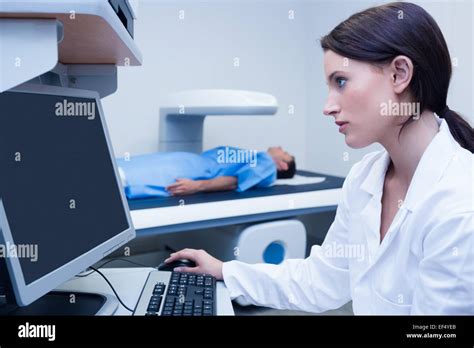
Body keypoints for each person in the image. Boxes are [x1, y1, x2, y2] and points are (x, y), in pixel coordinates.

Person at [164, 2, 474, 314]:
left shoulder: (460, 205)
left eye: (340, 81)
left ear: (399, 74)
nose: (328, 106)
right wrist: (226, 272)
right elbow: (323, 279)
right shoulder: (365, 177)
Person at [117, 146, 296, 198]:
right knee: (141, 164)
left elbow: (235, 181)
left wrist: (196, 186)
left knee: (139, 173)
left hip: (195, 169)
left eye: (285, 153)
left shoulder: (267, 165)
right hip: (192, 161)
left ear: (283, 165)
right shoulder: (262, 161)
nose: (280, 147)